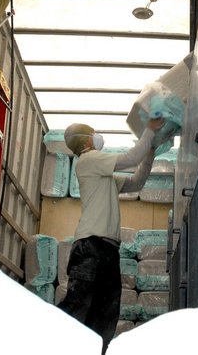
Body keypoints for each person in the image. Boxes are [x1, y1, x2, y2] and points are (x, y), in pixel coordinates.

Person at [57, 117, 165, 353]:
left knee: (105, 314)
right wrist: (149, 131)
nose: (98, 137)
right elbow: (130, 159)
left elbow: (136, 183)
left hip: (106, 250)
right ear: (85, 141)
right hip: (90, 246)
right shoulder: (88, 160)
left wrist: (151, 151)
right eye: (93, 133)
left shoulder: (102, 176)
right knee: (78, 307)